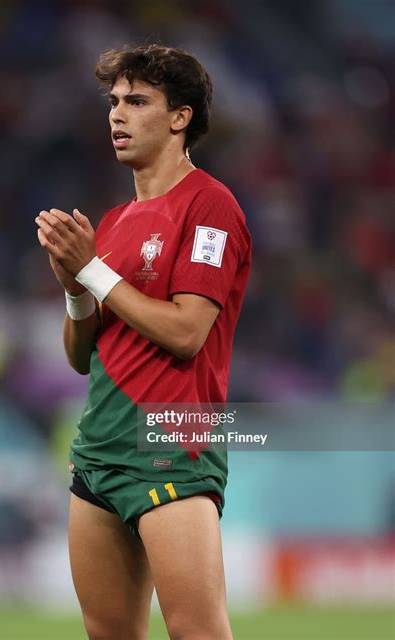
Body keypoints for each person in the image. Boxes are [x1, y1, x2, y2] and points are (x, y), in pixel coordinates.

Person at [35, 44, 251, 640]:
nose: (116, 116)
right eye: (113, 103)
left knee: (197, 632)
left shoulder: (210, 207)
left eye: (136, 101)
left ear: (179, 117)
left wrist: (96, 273)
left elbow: (187, 332)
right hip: (97, 453)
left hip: (168, 448)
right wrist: (76, 289)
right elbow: (81, 359)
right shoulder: (112, 224)